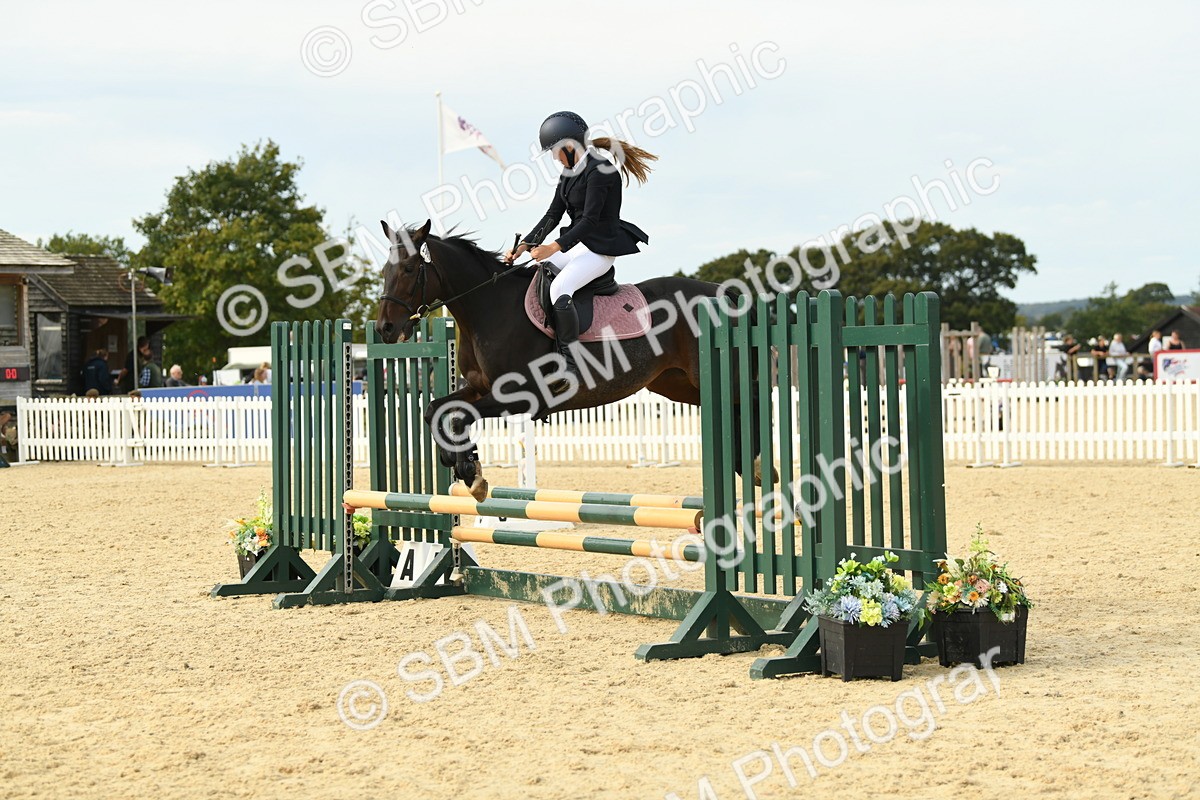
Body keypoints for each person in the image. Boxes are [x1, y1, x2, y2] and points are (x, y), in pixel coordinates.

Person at [506, 111, 655, 383]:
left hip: (599, 249)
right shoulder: (569, 172)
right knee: (541, 272)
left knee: (561, 288)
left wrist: (553, 247)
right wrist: (525, 245)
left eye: (555, 151)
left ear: (570, 146)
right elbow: (553, 214)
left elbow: (589, 221)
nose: (554, 157)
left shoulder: (601, 170)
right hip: (577, 247)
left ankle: (572, 365)